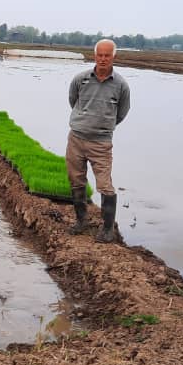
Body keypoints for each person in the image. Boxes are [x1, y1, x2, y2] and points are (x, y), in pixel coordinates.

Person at [66, 39, 130, 243]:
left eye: (107, 55)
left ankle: (108, 229)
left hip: (101, 143)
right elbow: (72, 101)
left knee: (105, 185)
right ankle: (81, 220)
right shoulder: (81, 79)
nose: (103, 59)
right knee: (76, 180)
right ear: (95, 56)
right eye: (100, 55)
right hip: (76, 139)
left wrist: (103, 126)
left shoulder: (121, 85)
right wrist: (83, 121)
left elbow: (122, 113)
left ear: (113, 57)